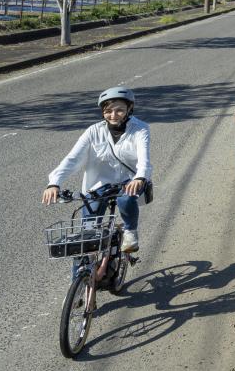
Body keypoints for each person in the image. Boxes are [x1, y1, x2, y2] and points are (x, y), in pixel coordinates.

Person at [42, 86, 153, 255]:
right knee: (87, 240)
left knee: (125, 199)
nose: (113, 115)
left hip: (130, 182)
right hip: (98, 186)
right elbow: (72, 159)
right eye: (108, 111)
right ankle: (82, 277)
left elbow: (144, 158)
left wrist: (140, 177)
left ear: (129, 109)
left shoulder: (140, 128)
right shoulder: (93, 131)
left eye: (119, 110)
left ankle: (130, 231)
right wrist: (54, 183)